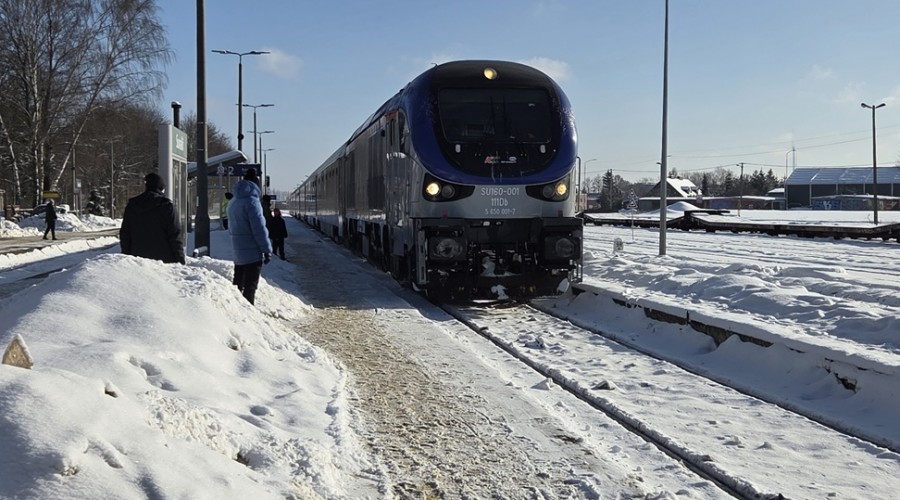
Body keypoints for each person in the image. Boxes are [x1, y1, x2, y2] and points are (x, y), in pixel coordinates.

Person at [228, 168, 272, 305]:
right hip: (252, 252)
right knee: (250, 288)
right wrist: (267, 249)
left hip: (238, 251)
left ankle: (234, 311)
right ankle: (248, 315)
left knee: (237, 285)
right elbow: (259, 229)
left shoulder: (233, 202)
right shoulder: (252, 202)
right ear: (256, 186)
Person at [119, 172, 185, 264]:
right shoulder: (166, 206)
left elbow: (125, 233)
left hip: (137, 261)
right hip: (164, 261)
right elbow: (175, 235)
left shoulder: (132, 205)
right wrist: (180, 260)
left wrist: (127, 255)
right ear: (161, 188)